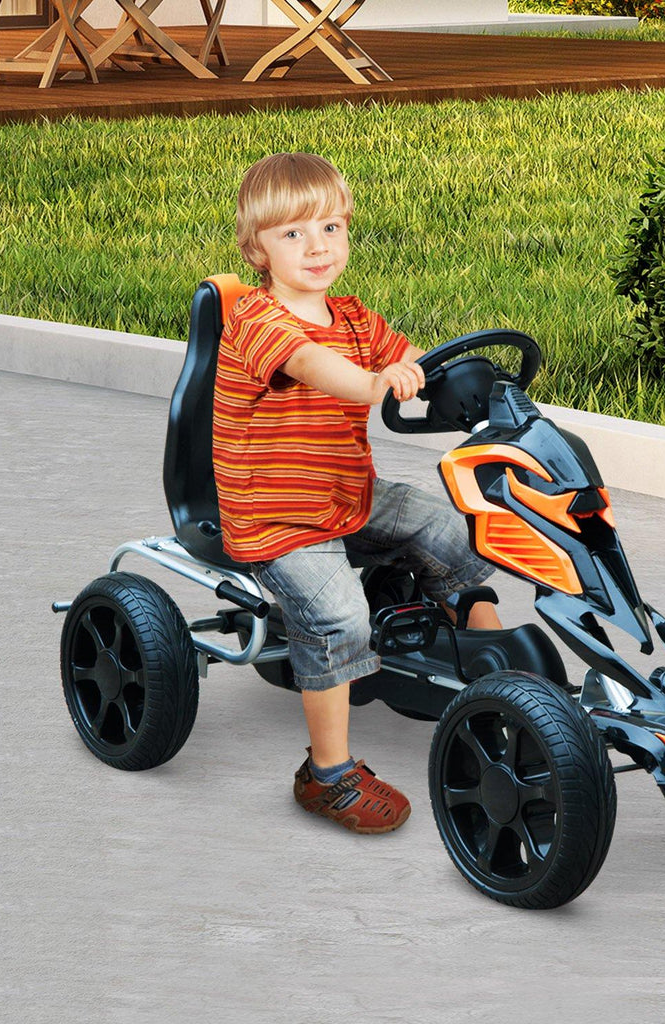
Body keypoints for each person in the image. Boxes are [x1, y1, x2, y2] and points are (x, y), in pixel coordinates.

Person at [214, 152, 501, 835]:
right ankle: (327, 775)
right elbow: (316, 366)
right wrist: (377, 383)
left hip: (347, 495)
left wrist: (452, 382)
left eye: (331, 228)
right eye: (293, 233)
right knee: (341, 618)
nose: (317, 247)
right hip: (278, 519)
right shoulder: (258, 322)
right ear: (257, 249)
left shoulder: (352, 316)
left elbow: (412, 361)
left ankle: (497, 676)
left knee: (456, 529)